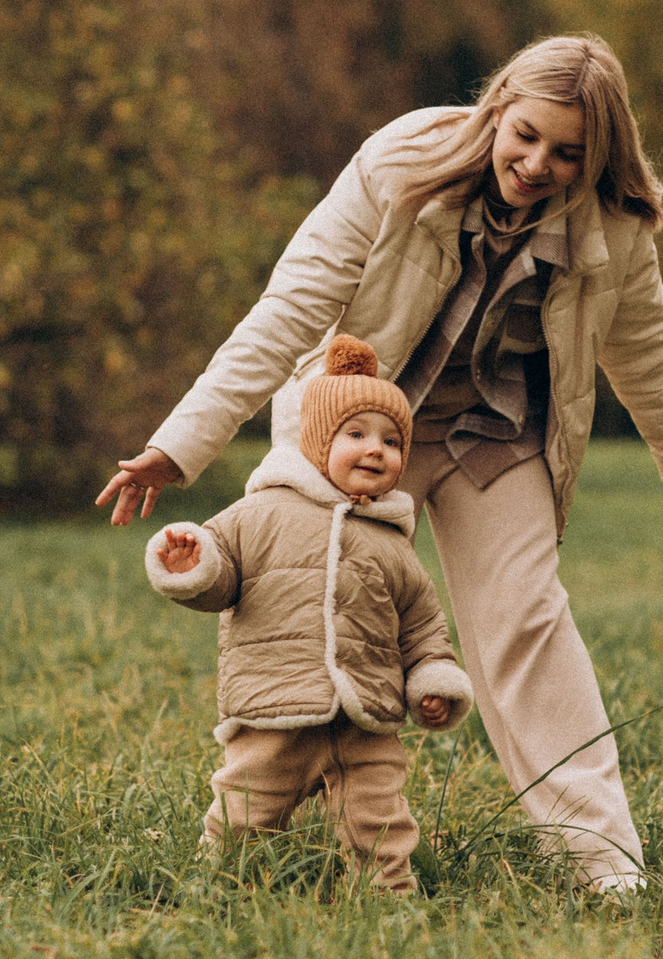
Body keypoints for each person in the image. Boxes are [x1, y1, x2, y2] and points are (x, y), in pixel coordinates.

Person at [100, 34, 663, 892]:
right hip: (357, 429)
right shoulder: (399, 163)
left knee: (527, 621)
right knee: (305, 610)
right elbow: (290, 308)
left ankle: (601, 860)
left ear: (599, 156)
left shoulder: (613, 227)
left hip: (494, 434)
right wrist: (179, 443)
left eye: (568, 153)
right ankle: (273, 812)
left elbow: (648, 352)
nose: (538, 163)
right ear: (497, 108)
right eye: (526, 136)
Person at [145, 335, 472, 894]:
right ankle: (218, 887)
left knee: (380, 818)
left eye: (392, 442)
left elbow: (422, 626)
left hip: (366, 714)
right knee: (246, 811)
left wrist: (432, 681)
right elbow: (221, 579)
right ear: (318, 441)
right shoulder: (261, 512)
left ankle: (388, 897)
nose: (376, 450)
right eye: (357, 435)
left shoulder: (392, 541)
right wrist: (192, 565)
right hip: (276, 704)